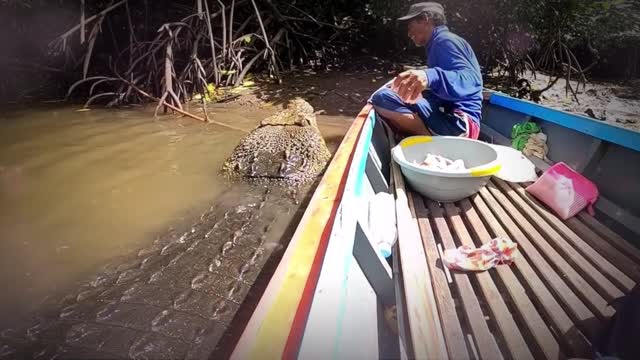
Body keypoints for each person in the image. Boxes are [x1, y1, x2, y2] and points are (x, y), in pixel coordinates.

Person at [369, 2, 483, 138]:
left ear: (425, 20)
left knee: (382, 97)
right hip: (457, 119)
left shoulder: (444, 41)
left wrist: (429, 76)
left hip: (458, 123)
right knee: (403, 94)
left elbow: (472, 80)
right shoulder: (443, 41)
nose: (409, 33)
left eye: (410, 26)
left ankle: (429, 141)